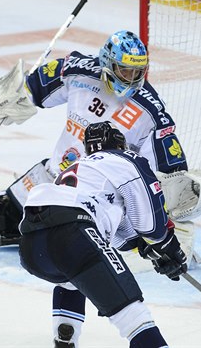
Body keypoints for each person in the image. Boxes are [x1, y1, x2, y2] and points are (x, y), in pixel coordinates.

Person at [0, 30, 201, 266]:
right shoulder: (77, 71)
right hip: (56, 177)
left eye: (138, 72)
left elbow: (171, 176)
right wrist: (16, 94)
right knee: (3, 220)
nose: (131, 78)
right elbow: (34, 86)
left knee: (71, 250)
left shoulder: (151, 113)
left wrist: (165, 228)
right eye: (125, 70)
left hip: (99, 200)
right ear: (106, 62)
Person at [19, 121, 187, 347]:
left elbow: (113, 235)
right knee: (131, 314)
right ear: (121, 145)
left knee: (73, 276)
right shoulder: (128, 160)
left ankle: (65, 338)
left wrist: (145, 247)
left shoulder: (78, 169)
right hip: (73, 233)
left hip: (32, 245)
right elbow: (150, 222)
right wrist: (168, 246)